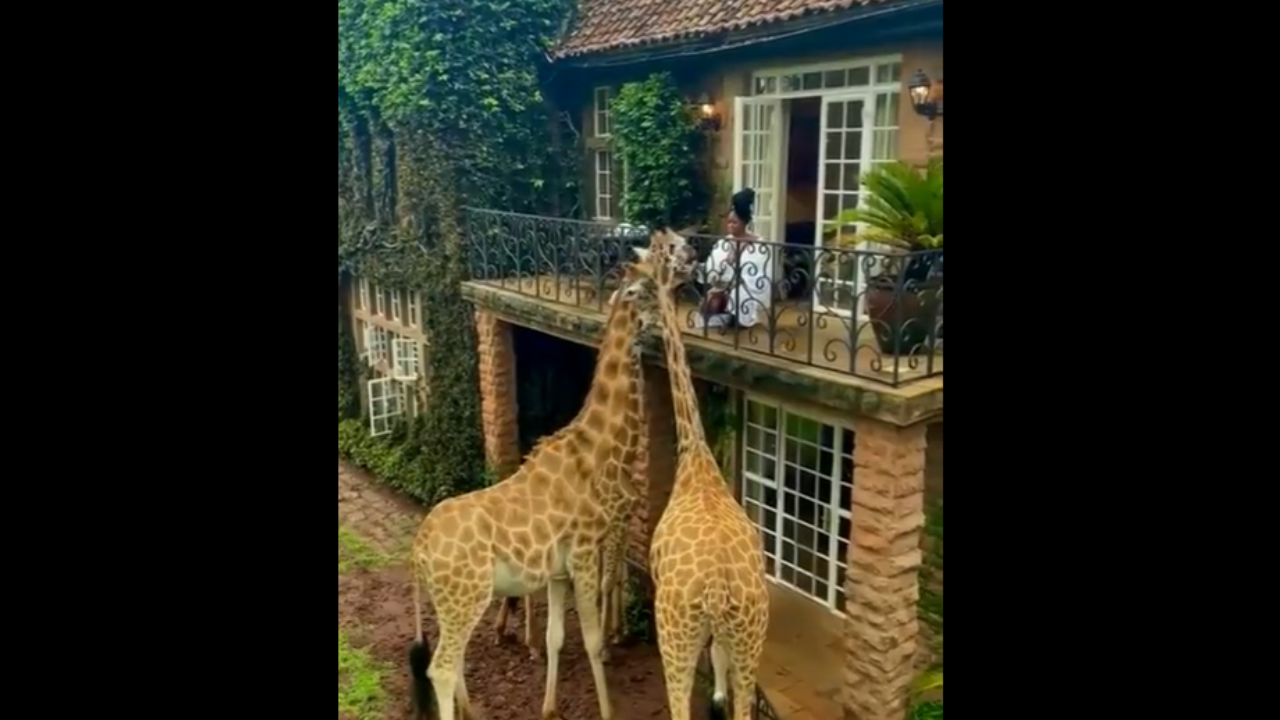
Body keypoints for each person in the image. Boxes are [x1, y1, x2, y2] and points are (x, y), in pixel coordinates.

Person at [698, 189, 774, 330]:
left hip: (746, 288)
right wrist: (727, 262)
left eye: (735, 223)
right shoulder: (724, 243)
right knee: (711, 299)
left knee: (738, 296)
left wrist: (734, 284)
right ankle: (723, 319)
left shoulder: (759, 245)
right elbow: (712, 270)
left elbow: (759, 277)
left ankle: (738, 320)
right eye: (729, 223)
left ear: (744, 223)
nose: (731, 226)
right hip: (725, 285)